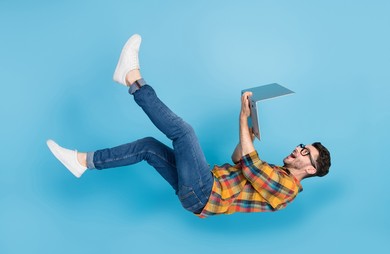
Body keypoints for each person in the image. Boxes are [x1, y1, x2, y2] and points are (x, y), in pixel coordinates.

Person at [47, 34, 331, 218]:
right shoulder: (277, 172)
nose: (299, 149)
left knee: (184, 132)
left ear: (310, 170)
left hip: (205, 192)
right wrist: (250, 137)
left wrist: (242, 119)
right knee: (149, 147)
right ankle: (83, 162)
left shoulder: (287, 191)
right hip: (201, 191)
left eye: (306, 154)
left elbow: (249, 162)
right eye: (303, 146)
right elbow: (239, 159)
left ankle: (132, 79)